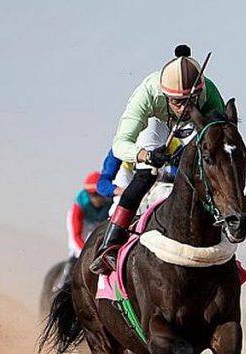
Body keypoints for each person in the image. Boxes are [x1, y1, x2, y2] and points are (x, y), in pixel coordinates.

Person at [89, 44, 226, 274]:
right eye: (179, 102)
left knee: (210, 165)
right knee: (145, 175)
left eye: (191, 100)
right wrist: (147, 155)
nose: (184, 108)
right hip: (156, 121)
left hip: (195, 123)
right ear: (165, 95)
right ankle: (109, 245)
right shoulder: (146, 95)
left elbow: (222, 132)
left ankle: (223, 235)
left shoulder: (208, 91)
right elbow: (119, 145)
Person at [63, 171, 110, 283]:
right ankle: (63, 281)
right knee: (76, 249)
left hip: (100, 222)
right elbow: (76, 234)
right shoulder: (81, 202)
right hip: (83, 222)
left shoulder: (110, 201)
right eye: (92, 195)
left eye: (99, 194)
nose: (96, 198)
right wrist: (87, 254)